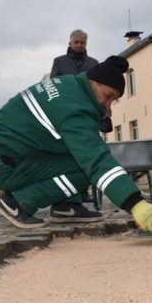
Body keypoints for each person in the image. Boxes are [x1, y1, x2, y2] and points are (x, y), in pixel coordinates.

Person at [0, 56, 152, 232]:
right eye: (108, 96)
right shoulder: (74, 109)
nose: (108, 105)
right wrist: (135, 203)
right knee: (85, 168)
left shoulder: (69, 86)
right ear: (93, 83)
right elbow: (96, 160)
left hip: (5, 152)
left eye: (113, 100)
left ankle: (66, 206)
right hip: (5, 163)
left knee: (74, 154)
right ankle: (17, 202)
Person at [50, 29, 106, 211]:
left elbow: (99, 88)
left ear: (86, 44)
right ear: (70, 43)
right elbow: (52, 86)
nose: (79, 45)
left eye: (82, 42)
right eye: (77, 42)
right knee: (68, 153)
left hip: (88, 113)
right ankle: (67, 192)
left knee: (87, 152)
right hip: (66, 114)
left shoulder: (94, 63)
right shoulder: (59, 62)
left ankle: (84, 191)